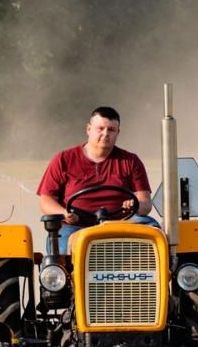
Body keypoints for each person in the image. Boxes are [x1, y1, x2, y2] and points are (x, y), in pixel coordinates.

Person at [37, 106, 159, 252]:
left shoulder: (131, 161)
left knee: (155, 233)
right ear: (88, 129)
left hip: (121, 223)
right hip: (76, 225)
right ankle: (63, 274)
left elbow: (146, 203)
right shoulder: (63, 159)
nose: (105, 134)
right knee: (62, 249)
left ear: (118, 133)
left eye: (111, 130)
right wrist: (64, 213)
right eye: (100, 128)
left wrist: (136, 205)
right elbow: (46, 201)